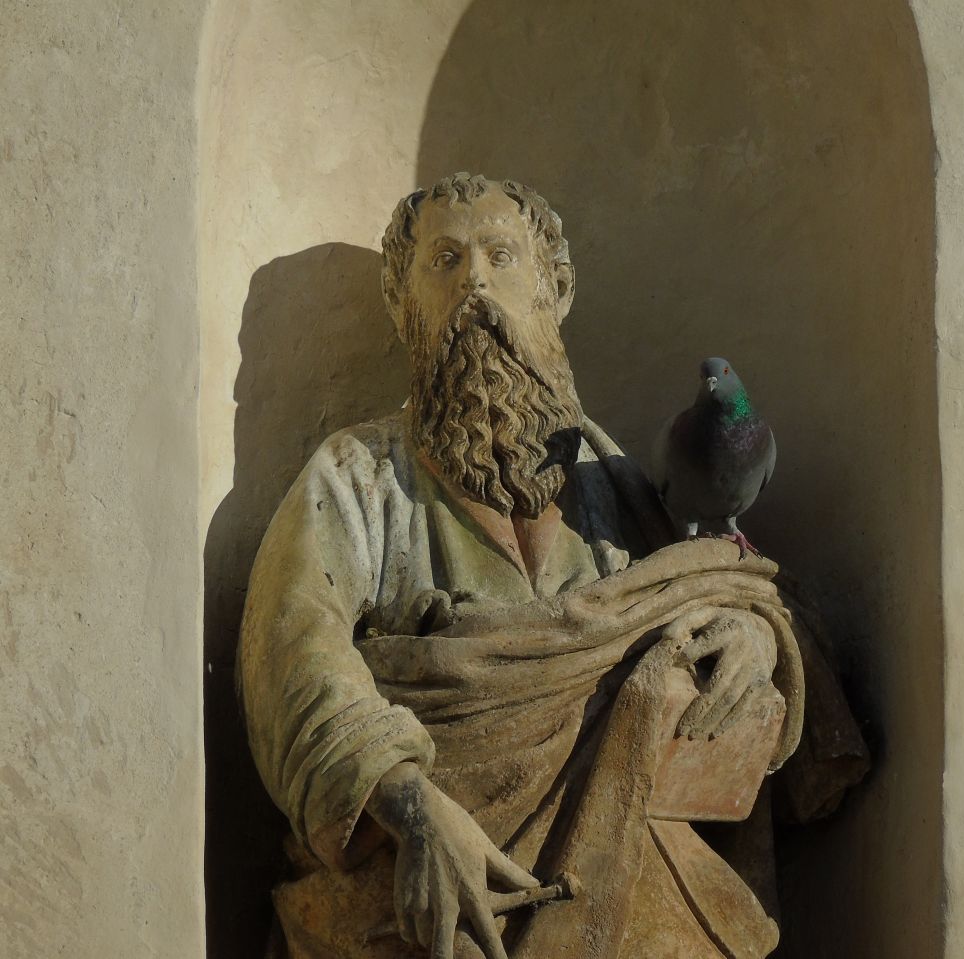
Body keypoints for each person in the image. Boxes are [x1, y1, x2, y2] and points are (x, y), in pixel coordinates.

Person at [240, 173, 857, 959]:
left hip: (627, 875)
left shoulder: (617, 482)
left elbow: (725, 583)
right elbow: (291, 653)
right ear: (403, 302)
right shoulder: (356, 478)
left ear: (554, 291)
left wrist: (754, 636)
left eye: (501, 256)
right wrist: (416, 810)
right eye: (445, 261)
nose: (475, 283)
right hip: (431, 877)